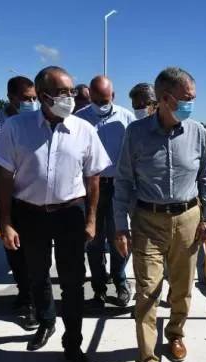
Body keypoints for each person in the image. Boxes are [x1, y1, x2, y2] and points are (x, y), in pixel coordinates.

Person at [0, 65, 110, 362]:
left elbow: (93, 178)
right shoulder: (16, 127)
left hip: (70, 213)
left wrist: (92, 219)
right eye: (62, 92)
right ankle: (46, 321)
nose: (70, 97)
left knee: (72, 282)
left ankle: (73, 343)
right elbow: (3, 176)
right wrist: (6, 221)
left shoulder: (84, 130)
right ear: (43, 96)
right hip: (29, 214)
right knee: (37, 275)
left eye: (71, 91)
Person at [113, 67, 206, 362]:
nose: (191, 105)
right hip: (148, 222)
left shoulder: (197, 131)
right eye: (187, 99)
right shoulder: (137, 133)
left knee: (183, 288)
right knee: (147, 293)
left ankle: (176, 335)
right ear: (166, 99)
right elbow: (124, 182)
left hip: (188, 218)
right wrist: (120, 227)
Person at [76, 75, 136, 308]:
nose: (101, 104)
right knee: (93, 239)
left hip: (118, 186)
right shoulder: (79, 119)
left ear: (113, 96)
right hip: (90, 187)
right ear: (89, 95)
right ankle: (99, 287)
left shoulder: (126, 118)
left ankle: (120, 281)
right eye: (97, 99)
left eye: (106, 99)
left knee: (119, 236)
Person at [0, 76, 38, 329]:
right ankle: (24, 293)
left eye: (34, 98)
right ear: (11, 97)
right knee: (13, 251)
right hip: (3, 196)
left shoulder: (34, 121)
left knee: (30, 251)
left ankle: (33, 303)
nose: (31, 103)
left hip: (28, 197)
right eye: (26, 99)